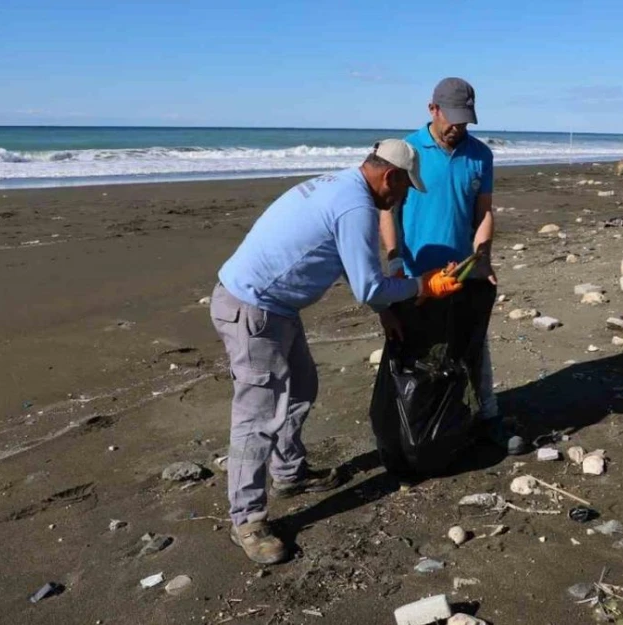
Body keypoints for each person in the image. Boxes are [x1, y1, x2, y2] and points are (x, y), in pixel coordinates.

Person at [211, 139, 464, 565]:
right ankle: (247, 519)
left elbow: (351, 262)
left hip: (275, 306)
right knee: (257, 418)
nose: (401, 199)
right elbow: (366, 284)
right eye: (403, 190)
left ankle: (289, 473)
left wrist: (384, 311)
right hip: (253, 311)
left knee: (302, 387)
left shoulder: (341, 186)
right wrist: (423, 285)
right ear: (390, 177)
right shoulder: (356, 206)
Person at [379, 77, 528, 456]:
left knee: (473, 349)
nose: (457, 128)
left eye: (465, 121)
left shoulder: (480, 155)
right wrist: (395, 261)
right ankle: (413, 428)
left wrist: (483, 257)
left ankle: (487, 416)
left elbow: (484, 212)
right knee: (412, 356)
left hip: (460, 273)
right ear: (433, 109)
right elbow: (388, 211)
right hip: (414, 278)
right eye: (452, 120)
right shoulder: (407, 150)